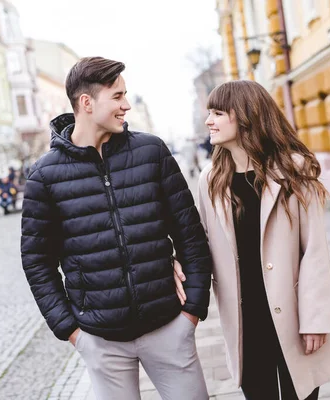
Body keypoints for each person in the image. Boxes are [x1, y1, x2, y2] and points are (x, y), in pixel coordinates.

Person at [21, 57, 212, 400]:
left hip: (169, 326)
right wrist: (72, 332)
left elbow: (190, 234)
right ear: (86, 102)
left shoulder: (150, 151)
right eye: (118, 96)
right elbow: (37, 262)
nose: (126, 105)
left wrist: (192, 310)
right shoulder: (44, 176)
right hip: (101, 341)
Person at [175, 80, 330, 400]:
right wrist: (174, 262)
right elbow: (202, 243)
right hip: (244, 319)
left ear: (247, 116)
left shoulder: (293, 171)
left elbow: (315, 252)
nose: (209, 120)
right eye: (209, 112)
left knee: (301, 393)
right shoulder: (211, 180)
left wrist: (316, 319)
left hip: (292, 313)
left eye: (218, 112)